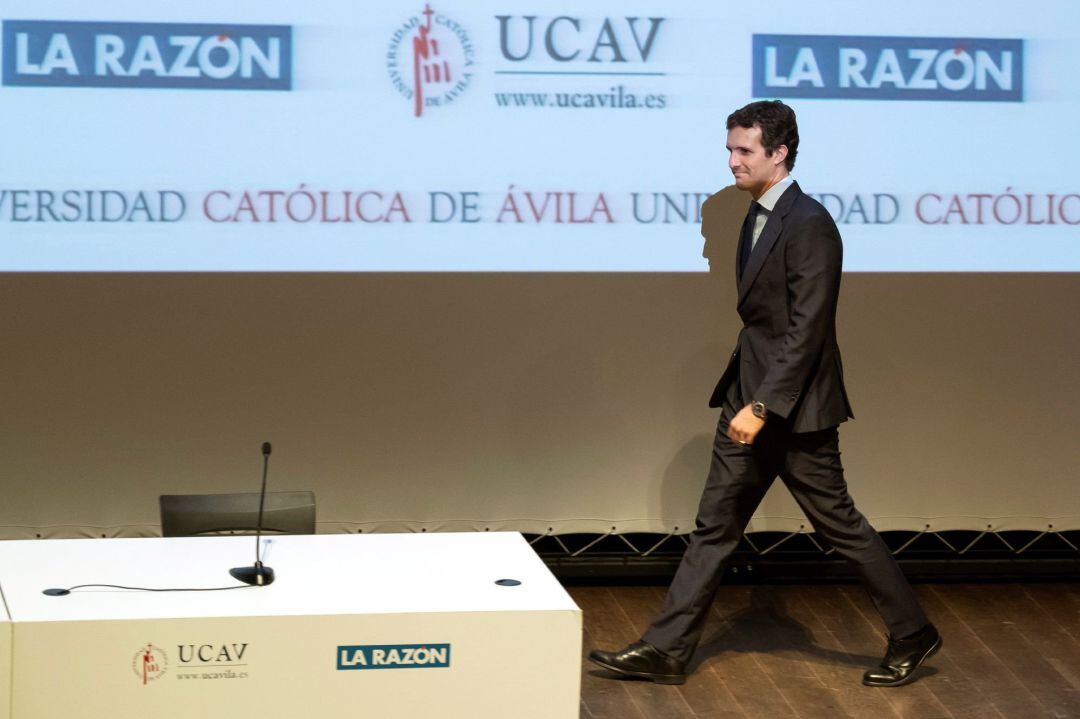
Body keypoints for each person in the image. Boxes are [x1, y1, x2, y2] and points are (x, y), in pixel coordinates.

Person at [588, 100, 941, 688]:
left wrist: (762, 406)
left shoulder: (809, 223)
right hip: (748, 397)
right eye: (729, 149)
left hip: (791, 411)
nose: (732, 161)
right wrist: (747, 400)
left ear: (779, 153)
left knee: (839, 525)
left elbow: (808, 328)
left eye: (744, 150)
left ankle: (913, 632)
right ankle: (666, 649)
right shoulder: (756, 216)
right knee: (715, 526)